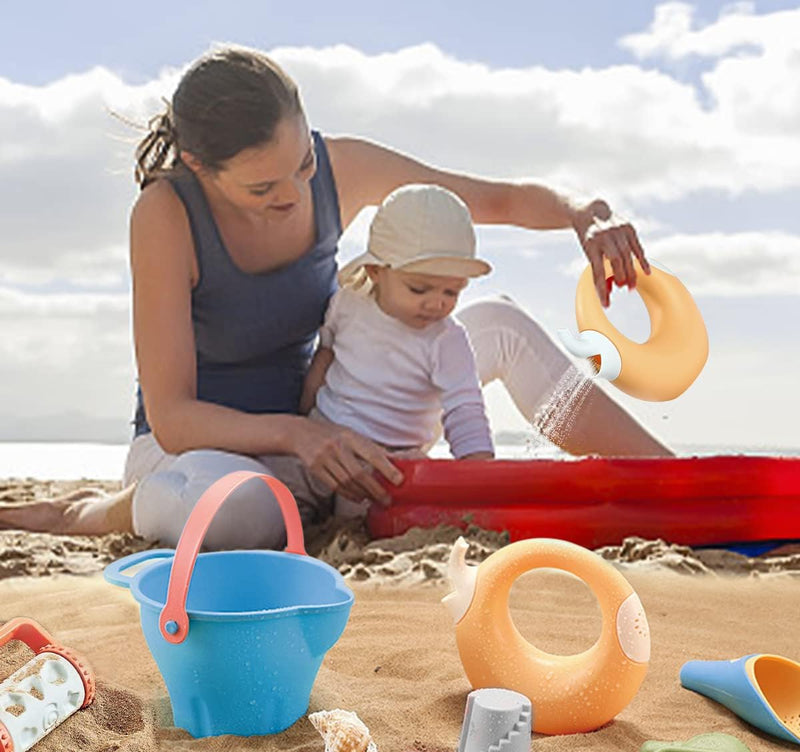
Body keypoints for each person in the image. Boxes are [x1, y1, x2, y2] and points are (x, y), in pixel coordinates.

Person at [0, 45, 671, 549]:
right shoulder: (165, 214)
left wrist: (588, 212)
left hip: (329, 431)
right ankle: (100, 507)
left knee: (498, 325)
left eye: (301, 166)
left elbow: (492, 197)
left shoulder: (341, 167)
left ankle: (675, 484)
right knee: (243, 513)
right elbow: (173, 416)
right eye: (263, 190)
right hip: (202, 451)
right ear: (201, 169)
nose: (292, 196)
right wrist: (299, 434)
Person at [299, 183, 496, 515]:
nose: (437, 303)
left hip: (392, 457)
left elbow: (465, 407)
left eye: (452, 291)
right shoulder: (347, 304)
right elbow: (325, 356)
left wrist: (479, 476)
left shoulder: (446, 339)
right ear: (376, 272)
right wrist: (302, 417)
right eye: (420, 288)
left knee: (365, 508)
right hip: (327, 433)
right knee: (279, 492)